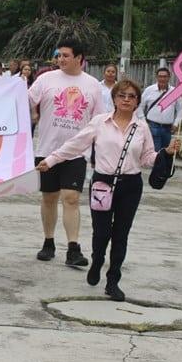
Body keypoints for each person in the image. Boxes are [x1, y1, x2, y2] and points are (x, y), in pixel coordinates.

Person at [37, 79, 180, 301]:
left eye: (131, 96)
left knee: (121, 235)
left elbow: (147, 157)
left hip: (131, 186)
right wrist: (52, 160)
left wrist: (166, 153)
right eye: (122, 95)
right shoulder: (99, 122)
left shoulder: (141, 127)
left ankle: (113, 280)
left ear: (137, 102)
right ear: (113, 98)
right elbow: (75, 144)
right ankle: (97, 262)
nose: (126, 100)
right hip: (102, 184)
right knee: (101, 232)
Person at [28, 39, 105, 266]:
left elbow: (98, 120)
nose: (60, 59)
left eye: (65, 55)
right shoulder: (45, 79)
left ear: (79, 58)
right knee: (49, 198)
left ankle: (73, 248)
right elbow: (25, 100)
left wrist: (98, 152)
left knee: (71, 198)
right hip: (46, 150)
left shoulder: (92, 85)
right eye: (58, 55)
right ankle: (48, 242)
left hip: (75, 153)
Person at [139, 67, 182, 151]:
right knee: (155, 154)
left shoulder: (175, 92)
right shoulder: (149, 90)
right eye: (160, 76)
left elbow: (181, 109)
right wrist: (143, 122)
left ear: (169, 77)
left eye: (165, 76)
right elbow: (140, 106)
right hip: (152, 127)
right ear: (156, 77)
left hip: (168, 129)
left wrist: (176, 123)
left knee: (165, 153)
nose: (162, 79)